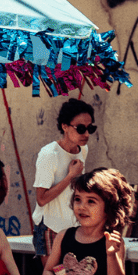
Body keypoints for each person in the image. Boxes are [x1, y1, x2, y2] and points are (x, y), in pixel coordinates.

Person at [31, 98, 95, 257]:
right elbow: (41, 199)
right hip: (49, 226)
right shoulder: (49, 154)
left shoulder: (83, 150)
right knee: (52, 273)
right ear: (65, 126)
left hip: (72, 227)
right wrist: (71, 176)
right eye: (81, 128)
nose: (86, 134)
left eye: (90, 128)